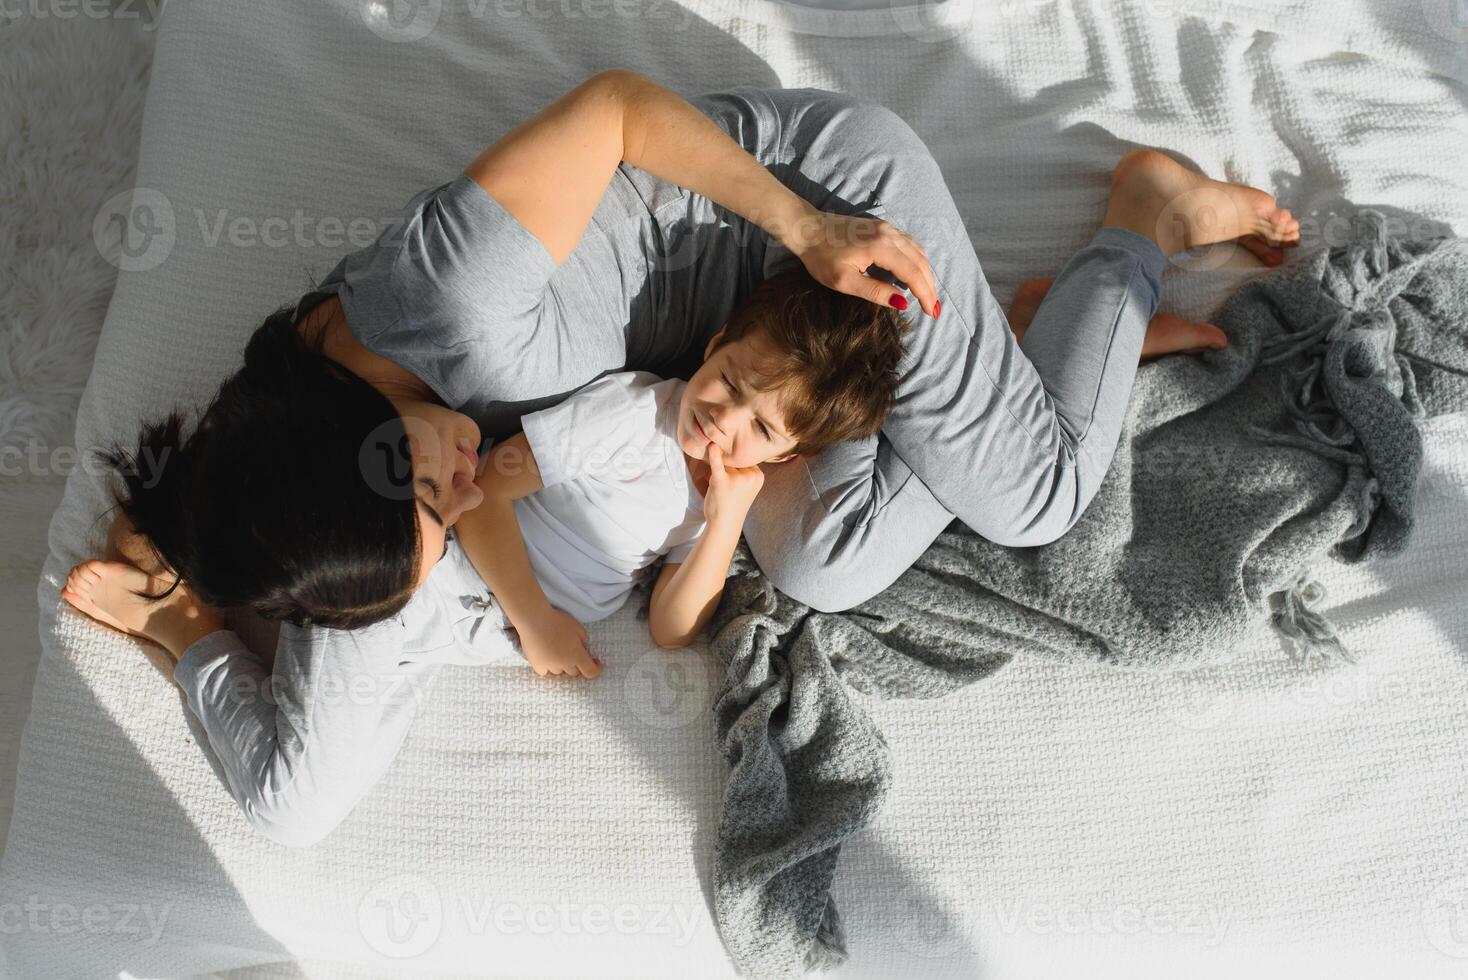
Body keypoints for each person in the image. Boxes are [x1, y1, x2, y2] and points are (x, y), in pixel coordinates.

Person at [60, 69, 1298, 845]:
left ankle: (1143, 220)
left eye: (430, 490)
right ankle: (999, 355)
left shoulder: (453, 298)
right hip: (750, 366)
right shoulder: (308, 460)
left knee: (1037, 495)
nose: (460, 487)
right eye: (444, 517)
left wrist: (806, 227)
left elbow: (616, 108)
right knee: (819, 559)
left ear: (362, 437)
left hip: (809, 229)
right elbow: (297, 514)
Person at [456, 264, 908, 678]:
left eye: (762, 428)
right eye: (730, 382)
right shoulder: (634, 414)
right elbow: (483, 491)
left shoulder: (717, 494)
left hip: (483, 627)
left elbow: (670, 629)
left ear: (784, 457)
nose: (725, 419)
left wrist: (724, 525)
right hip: (457, 569)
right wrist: (536, 622)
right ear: (716, 344)